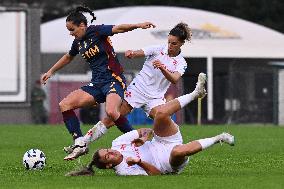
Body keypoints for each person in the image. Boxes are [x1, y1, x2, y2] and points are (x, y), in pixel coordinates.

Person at [64, 22, 192, 160]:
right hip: (136, 91)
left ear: (181, 44)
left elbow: (174, 79)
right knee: (111, 118)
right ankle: (82, 143)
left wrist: (162, 68)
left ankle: (175, 150)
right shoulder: (157, 49)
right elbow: (140, 52)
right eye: (169, 42)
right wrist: (131, 53)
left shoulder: (181, 62)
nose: (170, 46)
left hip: (155, 98)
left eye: (174, 44)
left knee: (164, 121)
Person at [66, 73, 235, 176]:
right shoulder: (125, 170)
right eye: (108, 155)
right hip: (168, 162)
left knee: (160, 113)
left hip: (163, 141)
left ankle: (196, 93)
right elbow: (155, 174)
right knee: (178, 151)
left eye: (107, 150)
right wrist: (139, 162)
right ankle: (219, 137)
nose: (111, 151)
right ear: (109, 165)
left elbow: (146, 130)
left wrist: (145, 138)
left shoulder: (117, 144)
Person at [40, 6, 155, 152]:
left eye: (72, 29)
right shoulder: (78, 42)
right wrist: (51, 71)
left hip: (113, 79)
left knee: (112, 112)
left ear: (82, 25)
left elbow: (118, 28)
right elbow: (69, 56)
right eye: (69, 30)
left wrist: (137, 25)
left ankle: (137, 141)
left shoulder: (96, 30)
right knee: (65, 104)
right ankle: (80, 142)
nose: (71, 33)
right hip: (96, 84)